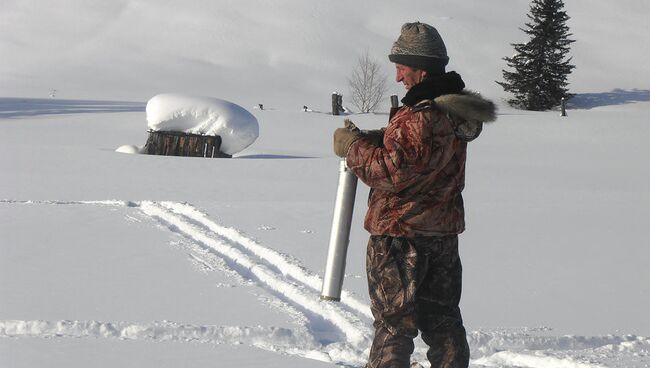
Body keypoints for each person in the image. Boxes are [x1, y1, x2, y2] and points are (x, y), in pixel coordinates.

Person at [333, 22, 496, 368]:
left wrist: (353, 148)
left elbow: (392, 173)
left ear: (421, 69)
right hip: (442, 236)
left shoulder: (419, 117)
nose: (397, 78)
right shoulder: (453, 110)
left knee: (393, 326)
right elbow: (422, 156)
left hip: (399, 236)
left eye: (402, 68)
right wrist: (378, 138)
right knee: (443, 322)